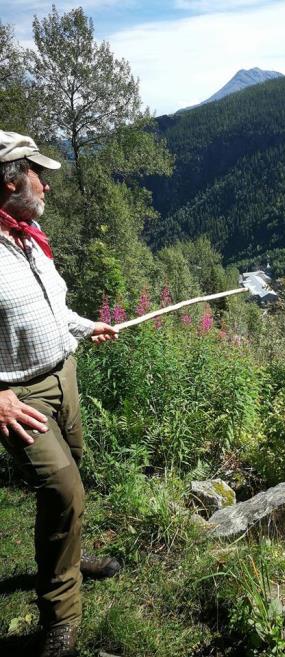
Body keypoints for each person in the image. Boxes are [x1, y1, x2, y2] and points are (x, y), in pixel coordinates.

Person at [0, 130, 120, 657]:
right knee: (64, 491)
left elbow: (52, 309)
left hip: (62, 375)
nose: (46, 185)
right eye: (37, 175)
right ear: (10, 182)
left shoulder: (27, 238)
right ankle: (60, 619)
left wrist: (84, 325)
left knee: (74, 474)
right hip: (19, 394)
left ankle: (68, 560)